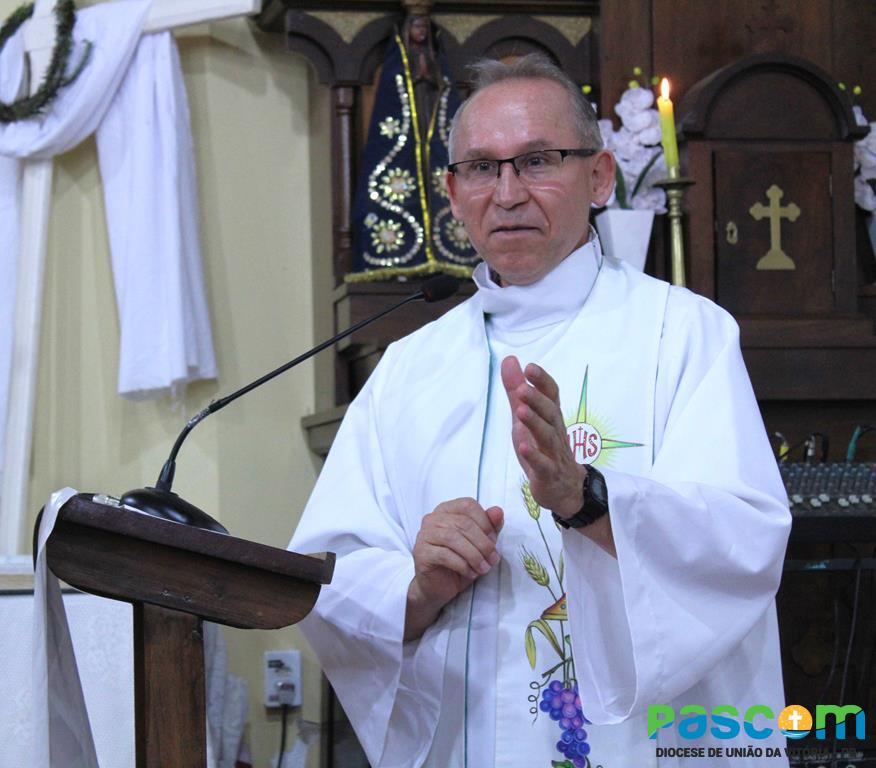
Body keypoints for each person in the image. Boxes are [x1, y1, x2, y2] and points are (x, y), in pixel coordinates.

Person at [290, 53, 791, 768]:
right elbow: (331, 578)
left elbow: (743, 541)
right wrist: (419, 587)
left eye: (536, 161)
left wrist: (588, 500)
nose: (508, 193)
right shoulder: (409, 367)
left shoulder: (682, 334)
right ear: (452, 193)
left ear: (600, 176)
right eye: (481, 168)